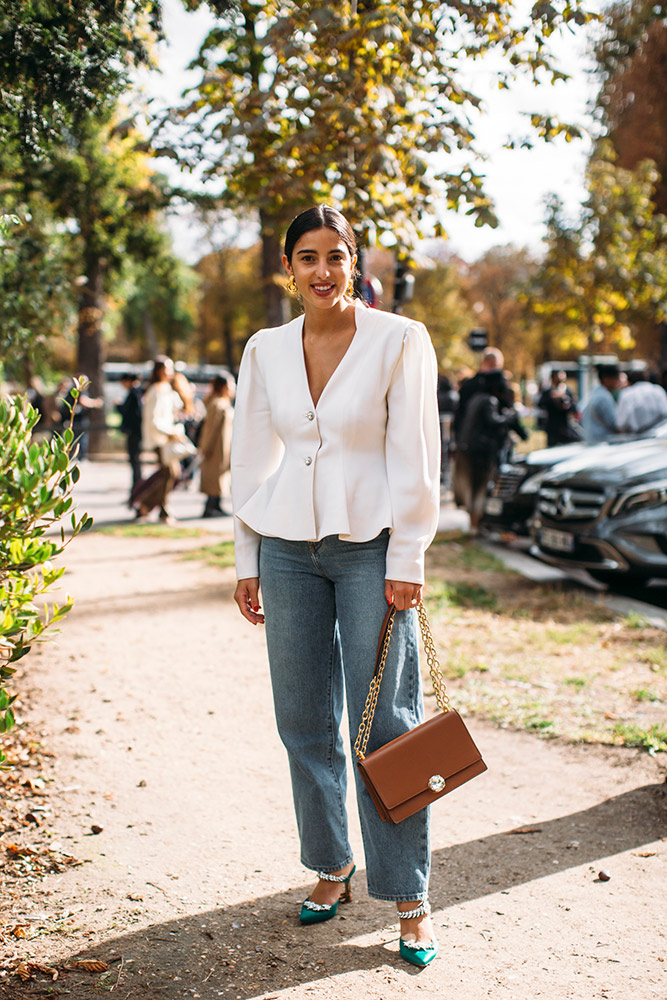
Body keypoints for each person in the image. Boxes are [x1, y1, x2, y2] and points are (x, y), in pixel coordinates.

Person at [230, 206, 441, 968]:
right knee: (303, 721)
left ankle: (409, 895)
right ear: (287, 267)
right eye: (307, 257)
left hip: (372, 550)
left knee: (386, 723)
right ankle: (331, 865)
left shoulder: (399, 340)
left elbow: (417, 455)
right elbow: (251, 455)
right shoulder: (266, 348)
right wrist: (246, 554)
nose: (322, 270)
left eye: (336, 255)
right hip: (286, 549)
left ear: (355, 262)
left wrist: (408, 557)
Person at [454, 370, 528, 531]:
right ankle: (475, 524)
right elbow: (492, 421)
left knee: (475, 487)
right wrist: (509, 418)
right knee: (480, 487)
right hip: (481, 452)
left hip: (470, 449)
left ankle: (475, 523)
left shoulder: (477, 399)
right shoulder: (489, 401)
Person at [135, 357, 182, 524]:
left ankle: (151, 507)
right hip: (161, 440)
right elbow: (154, 420)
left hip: (167, 439)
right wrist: (170, 432)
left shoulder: (166, 389)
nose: (170, 372)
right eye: (167, 369)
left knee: (170, 474)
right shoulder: (155, 390)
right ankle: (153, 507)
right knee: (170, 473)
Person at [198, 374, 234, 517]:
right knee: (215, 478)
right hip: (216, 449)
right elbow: (210, 429)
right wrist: (206, 447)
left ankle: (216, 505)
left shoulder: (223, 404)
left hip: (223, 448)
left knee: (220, 477)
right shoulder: (217, 404)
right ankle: (211, 506)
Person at [616, 369, 667, 435]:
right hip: (659, 435)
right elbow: (665, 413)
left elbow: (621, 423)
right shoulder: (658, 390)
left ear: (629, 382)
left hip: (635, 439)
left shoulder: (627, 394)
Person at [116, 372, 143, 495]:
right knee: (135, 460)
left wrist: (119, 406)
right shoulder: (137, 391)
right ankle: (137, 486)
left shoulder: (134, 393)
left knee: (135, 460)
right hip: (135, 431)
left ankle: (137, 487)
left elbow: (132, 413)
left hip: (134, 432)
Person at [537, 370, 579, 447]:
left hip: (565, 426)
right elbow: (540, 404)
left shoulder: (567, 391)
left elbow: (574, 407)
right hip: (552, 426)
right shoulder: (548, 391)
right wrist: (552, 398)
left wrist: (565, 402)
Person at [581, 364, 621, 443]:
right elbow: (614, 424)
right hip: (602, 443)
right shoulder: (603, 397)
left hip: (591, 441)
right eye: (616, 378)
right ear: (606, 379)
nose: (618, 382)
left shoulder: (593, 392)